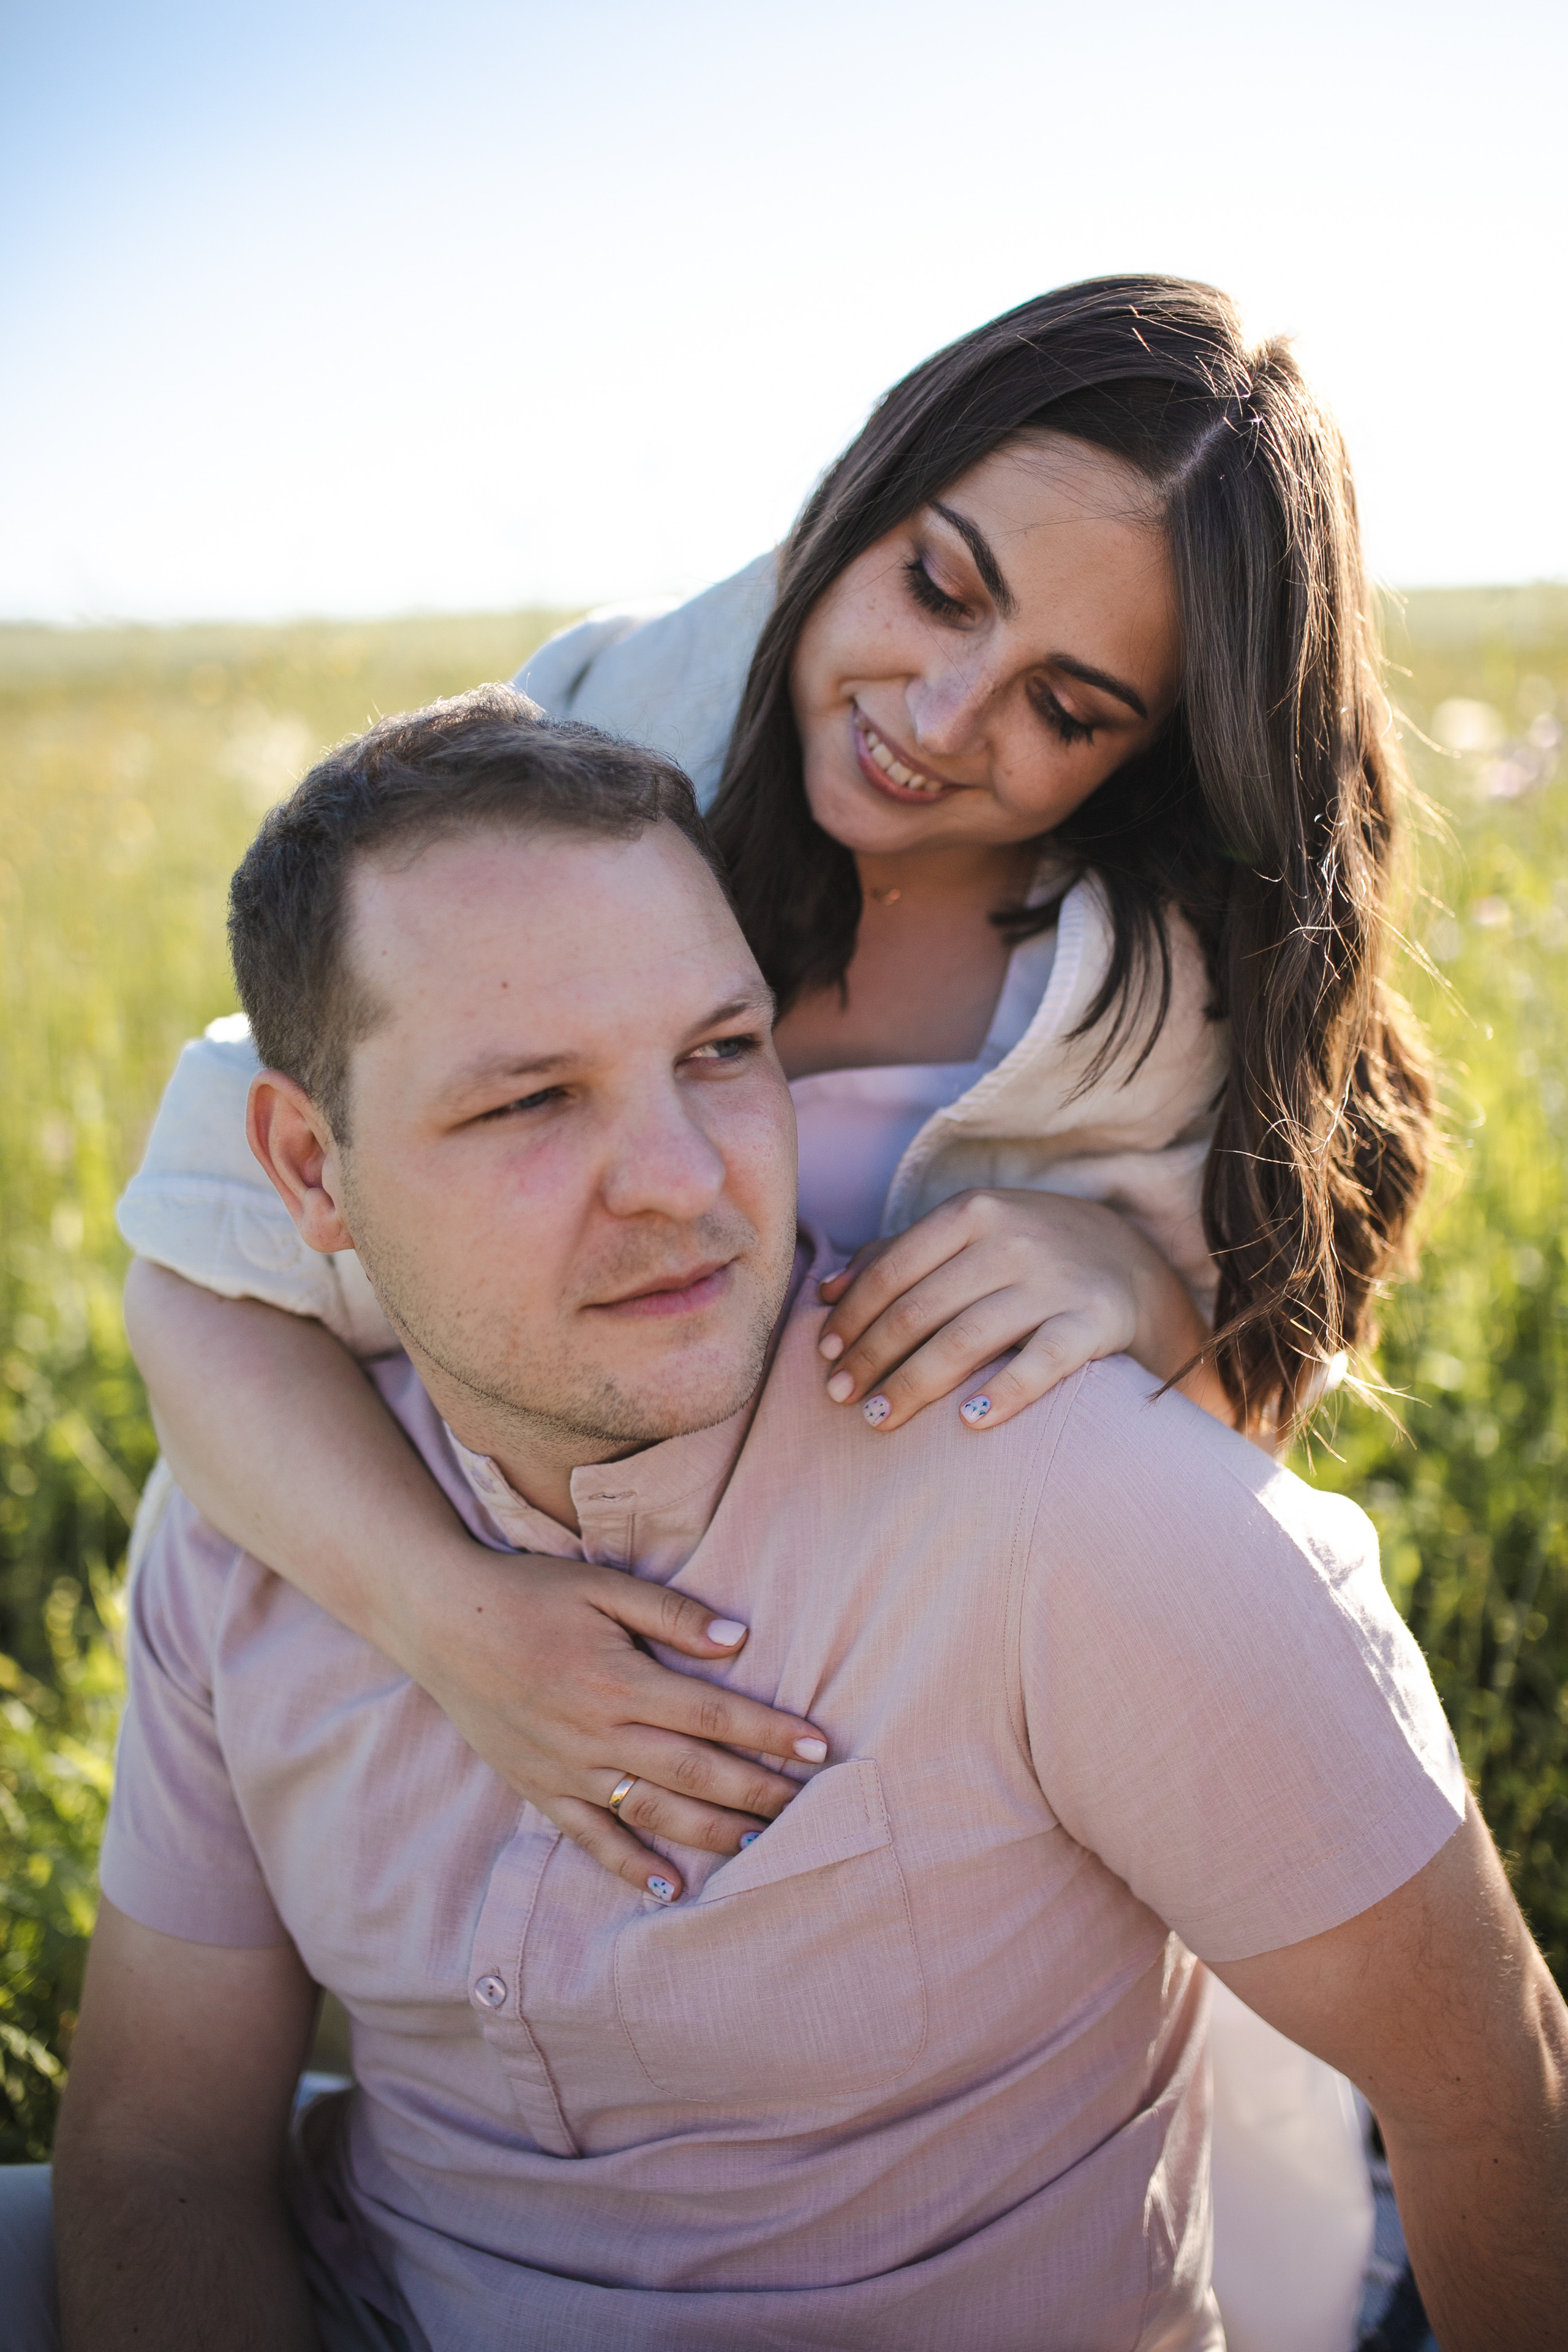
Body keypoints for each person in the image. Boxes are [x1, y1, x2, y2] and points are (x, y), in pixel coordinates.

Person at [116, 277, 1429, 2337]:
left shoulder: (1140, 986)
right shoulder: (614, 743)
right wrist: (454, 1632)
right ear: (872, 490)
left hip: (935, 1789)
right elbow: (200, 1266)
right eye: (940, 585)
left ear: (1157, 751)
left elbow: (1212, 1483)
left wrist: (1139, 1275)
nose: (943, 710)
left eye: (1069, 706)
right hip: (479, 1666)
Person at [23, 695, 1566, 2351]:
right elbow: (160, 2152)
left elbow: (1498, 2097)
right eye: (532, 1103)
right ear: (310, 1173)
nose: (683, 1181)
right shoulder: (253, 1521)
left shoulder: (1071, 1506)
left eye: (719, 1053)